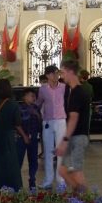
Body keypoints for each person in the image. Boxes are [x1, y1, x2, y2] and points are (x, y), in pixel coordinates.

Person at [0, 78, 26, 191]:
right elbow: (17, 123)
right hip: (7, 138)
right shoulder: (13, 104)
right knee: (10, 165)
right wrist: (24, 136)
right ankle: (12, 189)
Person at [56, 59, 91, 195]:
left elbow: (73, 118)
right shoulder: (73, 91)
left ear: (71, 72)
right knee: (63, 170)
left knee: (75, 171)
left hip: (77, 137)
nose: (61, 76)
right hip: (75, 136)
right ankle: (80, 196)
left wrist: (64, 141)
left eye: (63, 72)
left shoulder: (77, 92)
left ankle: (86, 201)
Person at [36, 65, 68, 190]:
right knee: (48, 151)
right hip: (48, 121)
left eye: (57, 73)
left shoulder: (64, 87)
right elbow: (39, 103)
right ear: (48, 75)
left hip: (61, 121)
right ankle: (48, 180)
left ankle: (61, 179)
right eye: (53, 74)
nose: (56, 76)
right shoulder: (43, 89)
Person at [17, 89, 42, 190]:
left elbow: (40, 122)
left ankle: (32, 180)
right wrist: (24, 136)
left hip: (34, 137)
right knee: (19, 160)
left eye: (34, 96)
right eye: (31, 95)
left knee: (33, 160)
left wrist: (37, 115)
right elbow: (17, 124)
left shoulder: (36, 107)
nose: (34, 98)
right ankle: (17, 182)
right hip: (21, 137)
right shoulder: (19, 108)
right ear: (24, 97)